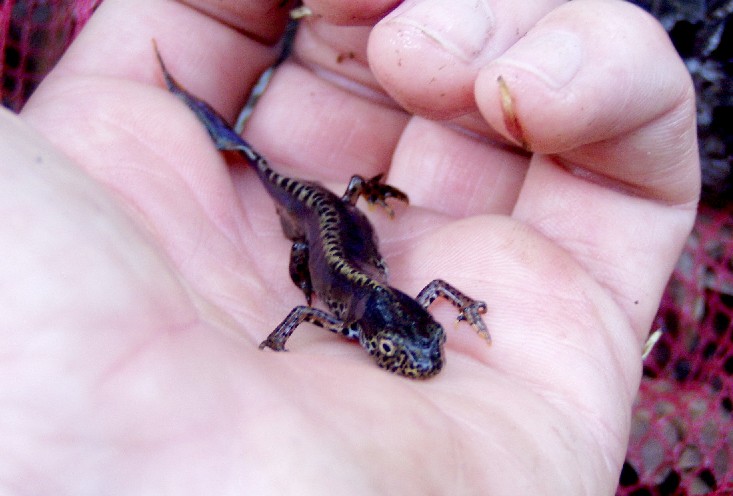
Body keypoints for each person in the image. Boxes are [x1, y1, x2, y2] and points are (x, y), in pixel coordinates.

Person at [0, 0, 699, 493]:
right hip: (314, 214)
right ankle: (198, 111)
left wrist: (471, 308)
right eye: (404, 354)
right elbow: (306, 311)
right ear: (370, 337)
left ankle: (312, 173)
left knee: (339, 208)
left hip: (343, 212)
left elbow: (434, 297)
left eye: (419, 347)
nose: (420, 363)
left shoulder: (396, 306)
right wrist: (275, 335)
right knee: (298, 223)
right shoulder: (341, 315)